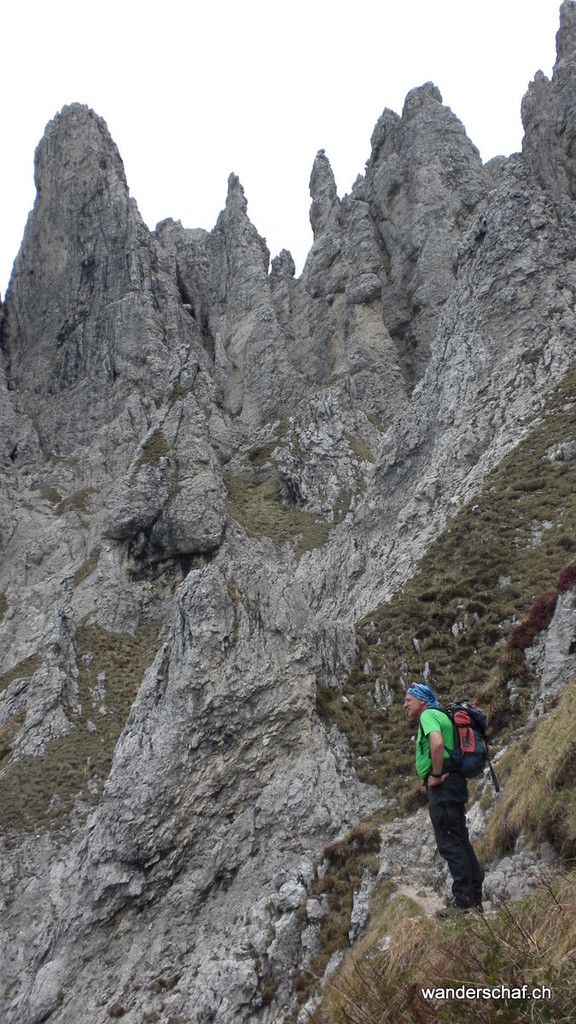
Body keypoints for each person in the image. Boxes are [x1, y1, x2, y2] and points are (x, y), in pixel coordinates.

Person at [403, 682, 483, 912]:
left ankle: (463, 903)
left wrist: (436, 776)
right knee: (459, 839)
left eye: (409, 699)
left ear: (422, 701)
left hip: (444, 786)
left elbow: (436, 745)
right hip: (455, 784)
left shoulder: (428, 715)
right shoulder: (441, 715)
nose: (404, 704)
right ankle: (474, 900)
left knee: (449, 842)